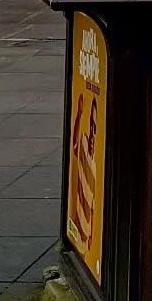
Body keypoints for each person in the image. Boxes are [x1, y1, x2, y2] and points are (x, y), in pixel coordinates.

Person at [67, 94, 98, 257]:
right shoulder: (85, 145)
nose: (93, 130)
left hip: (86, 232)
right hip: (79, 224)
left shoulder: (95, 164)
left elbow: (92, 205)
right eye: (91, 125)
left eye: (95, 125)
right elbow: (74, 144)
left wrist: (91, 234)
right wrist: (79, 113)